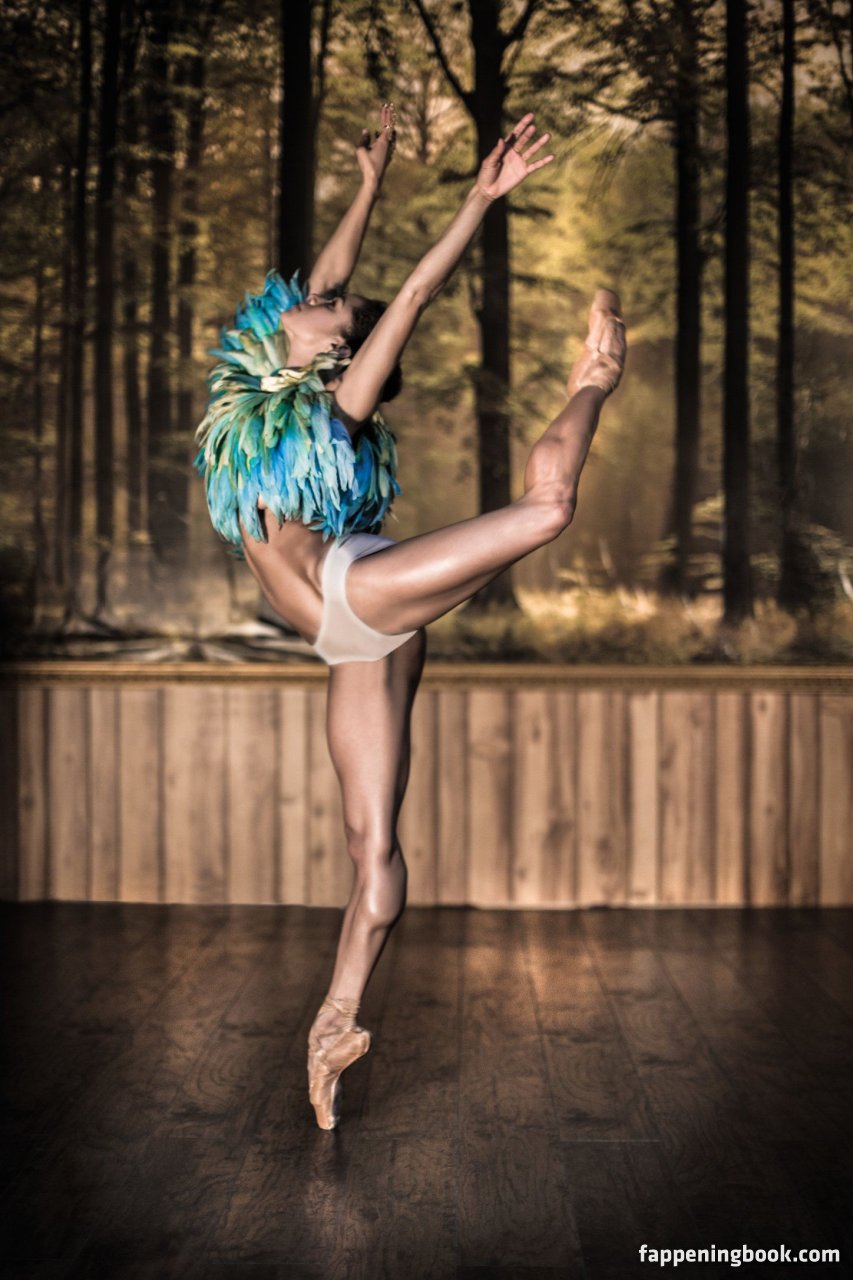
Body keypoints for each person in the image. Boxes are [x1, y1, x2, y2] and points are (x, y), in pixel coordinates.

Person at [195, 104, 626, 1131]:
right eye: (321, 302)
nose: (321, 300)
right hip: (349, 637)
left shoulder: (329, 404)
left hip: (357, 589)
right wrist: (369, 183)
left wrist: (479, 196)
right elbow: (327, 275)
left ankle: (596, 380)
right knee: (372, 854)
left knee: (546, 509)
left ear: (333, 357)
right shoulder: (261, 364)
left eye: (335, 314)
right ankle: (332, 1028)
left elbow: (416, 291)